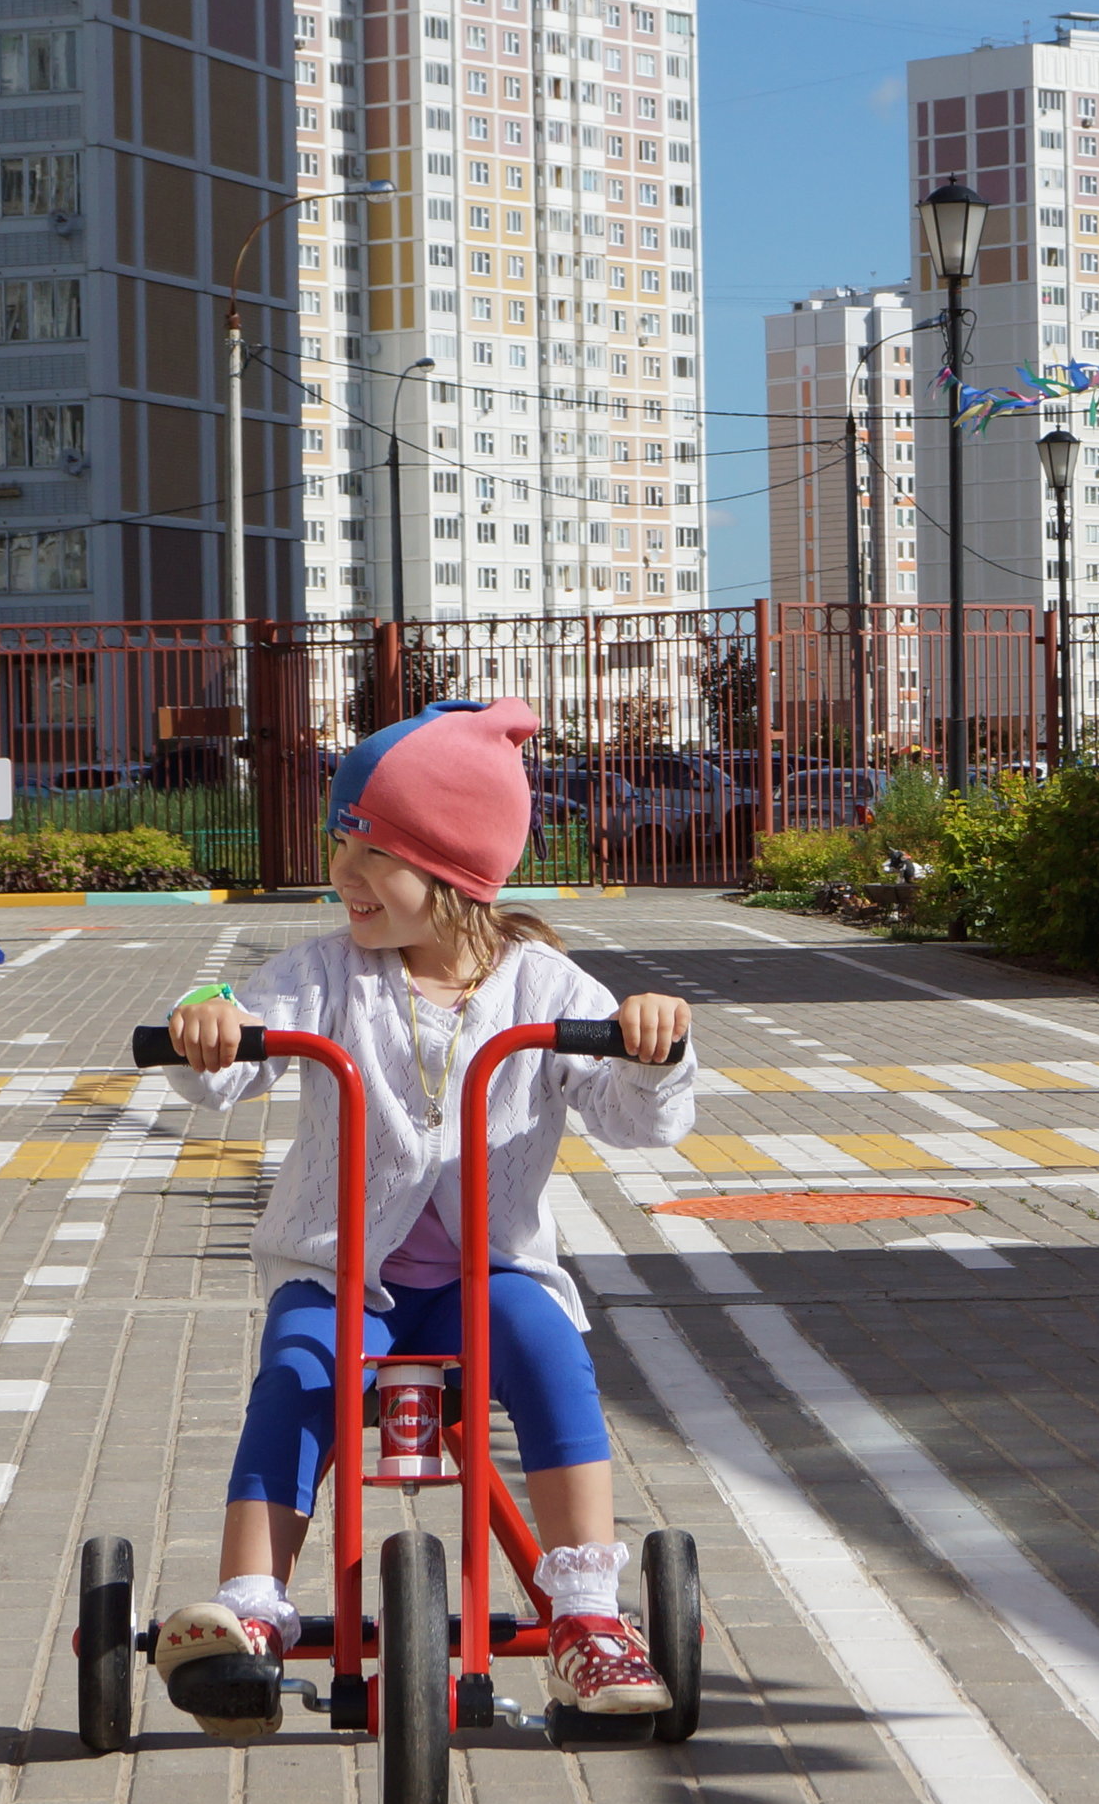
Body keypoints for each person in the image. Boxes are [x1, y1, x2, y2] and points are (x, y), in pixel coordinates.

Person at [153, 698, 696, 1734]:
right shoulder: (324, 975)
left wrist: (651, 1049)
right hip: (342, 1273)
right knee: (300, 1370)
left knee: (547, 1343)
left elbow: (635, 1121)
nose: (344, 874)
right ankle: (252, 1607)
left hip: (485, 1278)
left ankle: (584, 1614)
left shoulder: (542, 983)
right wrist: (213, 1022)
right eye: (340, 844)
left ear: (455, 870)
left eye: (373, 851)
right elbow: (232, 1056)